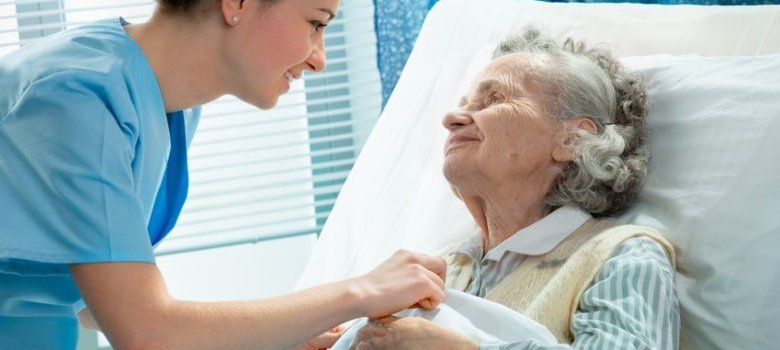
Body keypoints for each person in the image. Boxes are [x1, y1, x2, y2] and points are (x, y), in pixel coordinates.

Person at [0, 0, 447, 349]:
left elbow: (92, 291)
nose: (320, 59)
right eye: (316, 23)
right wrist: (362, 290)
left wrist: (269, 336)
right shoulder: (81, 99)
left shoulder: (165, 100)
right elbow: (147, 334)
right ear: (236, 4)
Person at [350, 29, 679, 349]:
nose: (451, 117)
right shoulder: (436, 268)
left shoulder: (622, 257)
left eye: (494, 99)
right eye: (464, 103)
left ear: (573, 139)